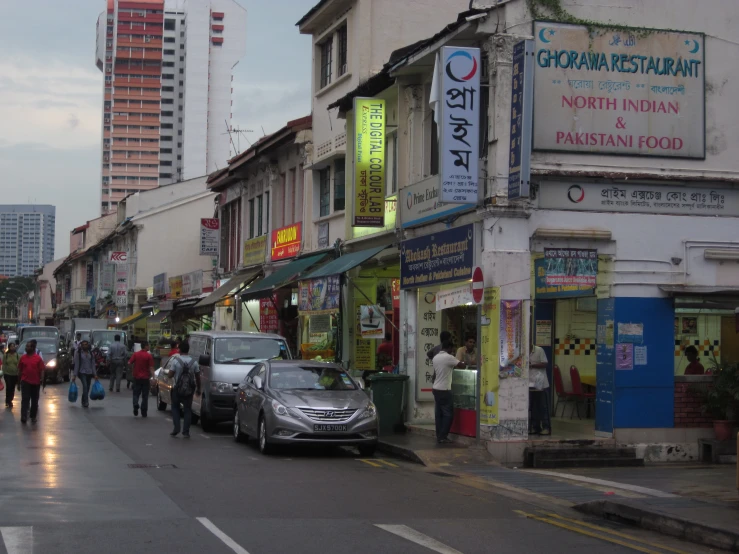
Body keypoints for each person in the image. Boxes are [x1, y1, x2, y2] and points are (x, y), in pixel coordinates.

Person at [432, 340, 466, 444]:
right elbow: (462, 365)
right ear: (450, 348)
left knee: (439, 414)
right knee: (448, 414)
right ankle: (443, 437)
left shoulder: (436, 357)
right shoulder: (449, 357)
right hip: (444, 390)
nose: (453, 351)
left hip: (436, 389)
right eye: (452, 349)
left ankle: (439, 435)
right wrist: (465, 362)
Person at [166, 341, 201, 438]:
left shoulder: (176, 361)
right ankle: (186, 431)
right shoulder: (194, 362)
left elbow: (170, 375)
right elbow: (198, 377)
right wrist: (198, 389)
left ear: (180, 350)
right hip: (189, 390)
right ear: (188, 350)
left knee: (175, 408)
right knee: (187, 410)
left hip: (177, 389)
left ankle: (176, 428)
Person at [18, 341, 46, 424]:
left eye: (28, 346)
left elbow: (42, 370)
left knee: (34, 401)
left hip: (35, 383)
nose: (26, 348)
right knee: (25, 399)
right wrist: (18, 382)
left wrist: (42, 380)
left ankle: (33, 416)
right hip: (25, 382)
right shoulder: (23, 358)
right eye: (26, 346)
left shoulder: (38, 358)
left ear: (33, 348)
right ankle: (23, 416)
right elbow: (19, 370)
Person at [128, 341, 154, 417]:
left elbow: (129, 363)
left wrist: (132, 369)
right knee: (145, 396)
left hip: (137, 378)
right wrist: (154, 377)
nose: (149, 347)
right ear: (145, 346)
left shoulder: (136, 354)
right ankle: (144, 411)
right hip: (145, 378)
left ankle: (135, 404)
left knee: (136, 393)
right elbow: (151, 367)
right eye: (148, 346)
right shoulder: (149, 356)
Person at [529, 343, 550, 436]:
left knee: (542, 406)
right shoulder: (523, 352)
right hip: (530, 383)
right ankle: (535, 427)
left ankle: (546, 427)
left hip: (541, 384)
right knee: (533, 407)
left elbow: (545, 363)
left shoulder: (539, 350)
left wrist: (532, 365)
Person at [72, 340, 98, 408]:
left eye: (86, 344)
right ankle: (86, 402)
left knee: (88, 387)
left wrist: (95, 374)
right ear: (81, 346)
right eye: (83, 344)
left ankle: (83, 399)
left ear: (88, 345)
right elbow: (77, 364)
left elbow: (93, 365)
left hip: (89, 373)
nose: (84, 346)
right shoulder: (79, 353)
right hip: (82, 372)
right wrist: (74, 375)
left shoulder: (91, 354)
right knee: (85, 386)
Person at [3, 342, 20, 409]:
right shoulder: (6, 355)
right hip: (7, 374)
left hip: (15, 374)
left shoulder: (17, 355)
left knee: (12, 387)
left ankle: (10, 399)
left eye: (13, 346)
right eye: (11, 346)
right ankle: (8, 401)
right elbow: (4, 364)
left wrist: (18, 374)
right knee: (8, 387)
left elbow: (19, 365)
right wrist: (3, 373)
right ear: (9, 347)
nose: (12, 348)